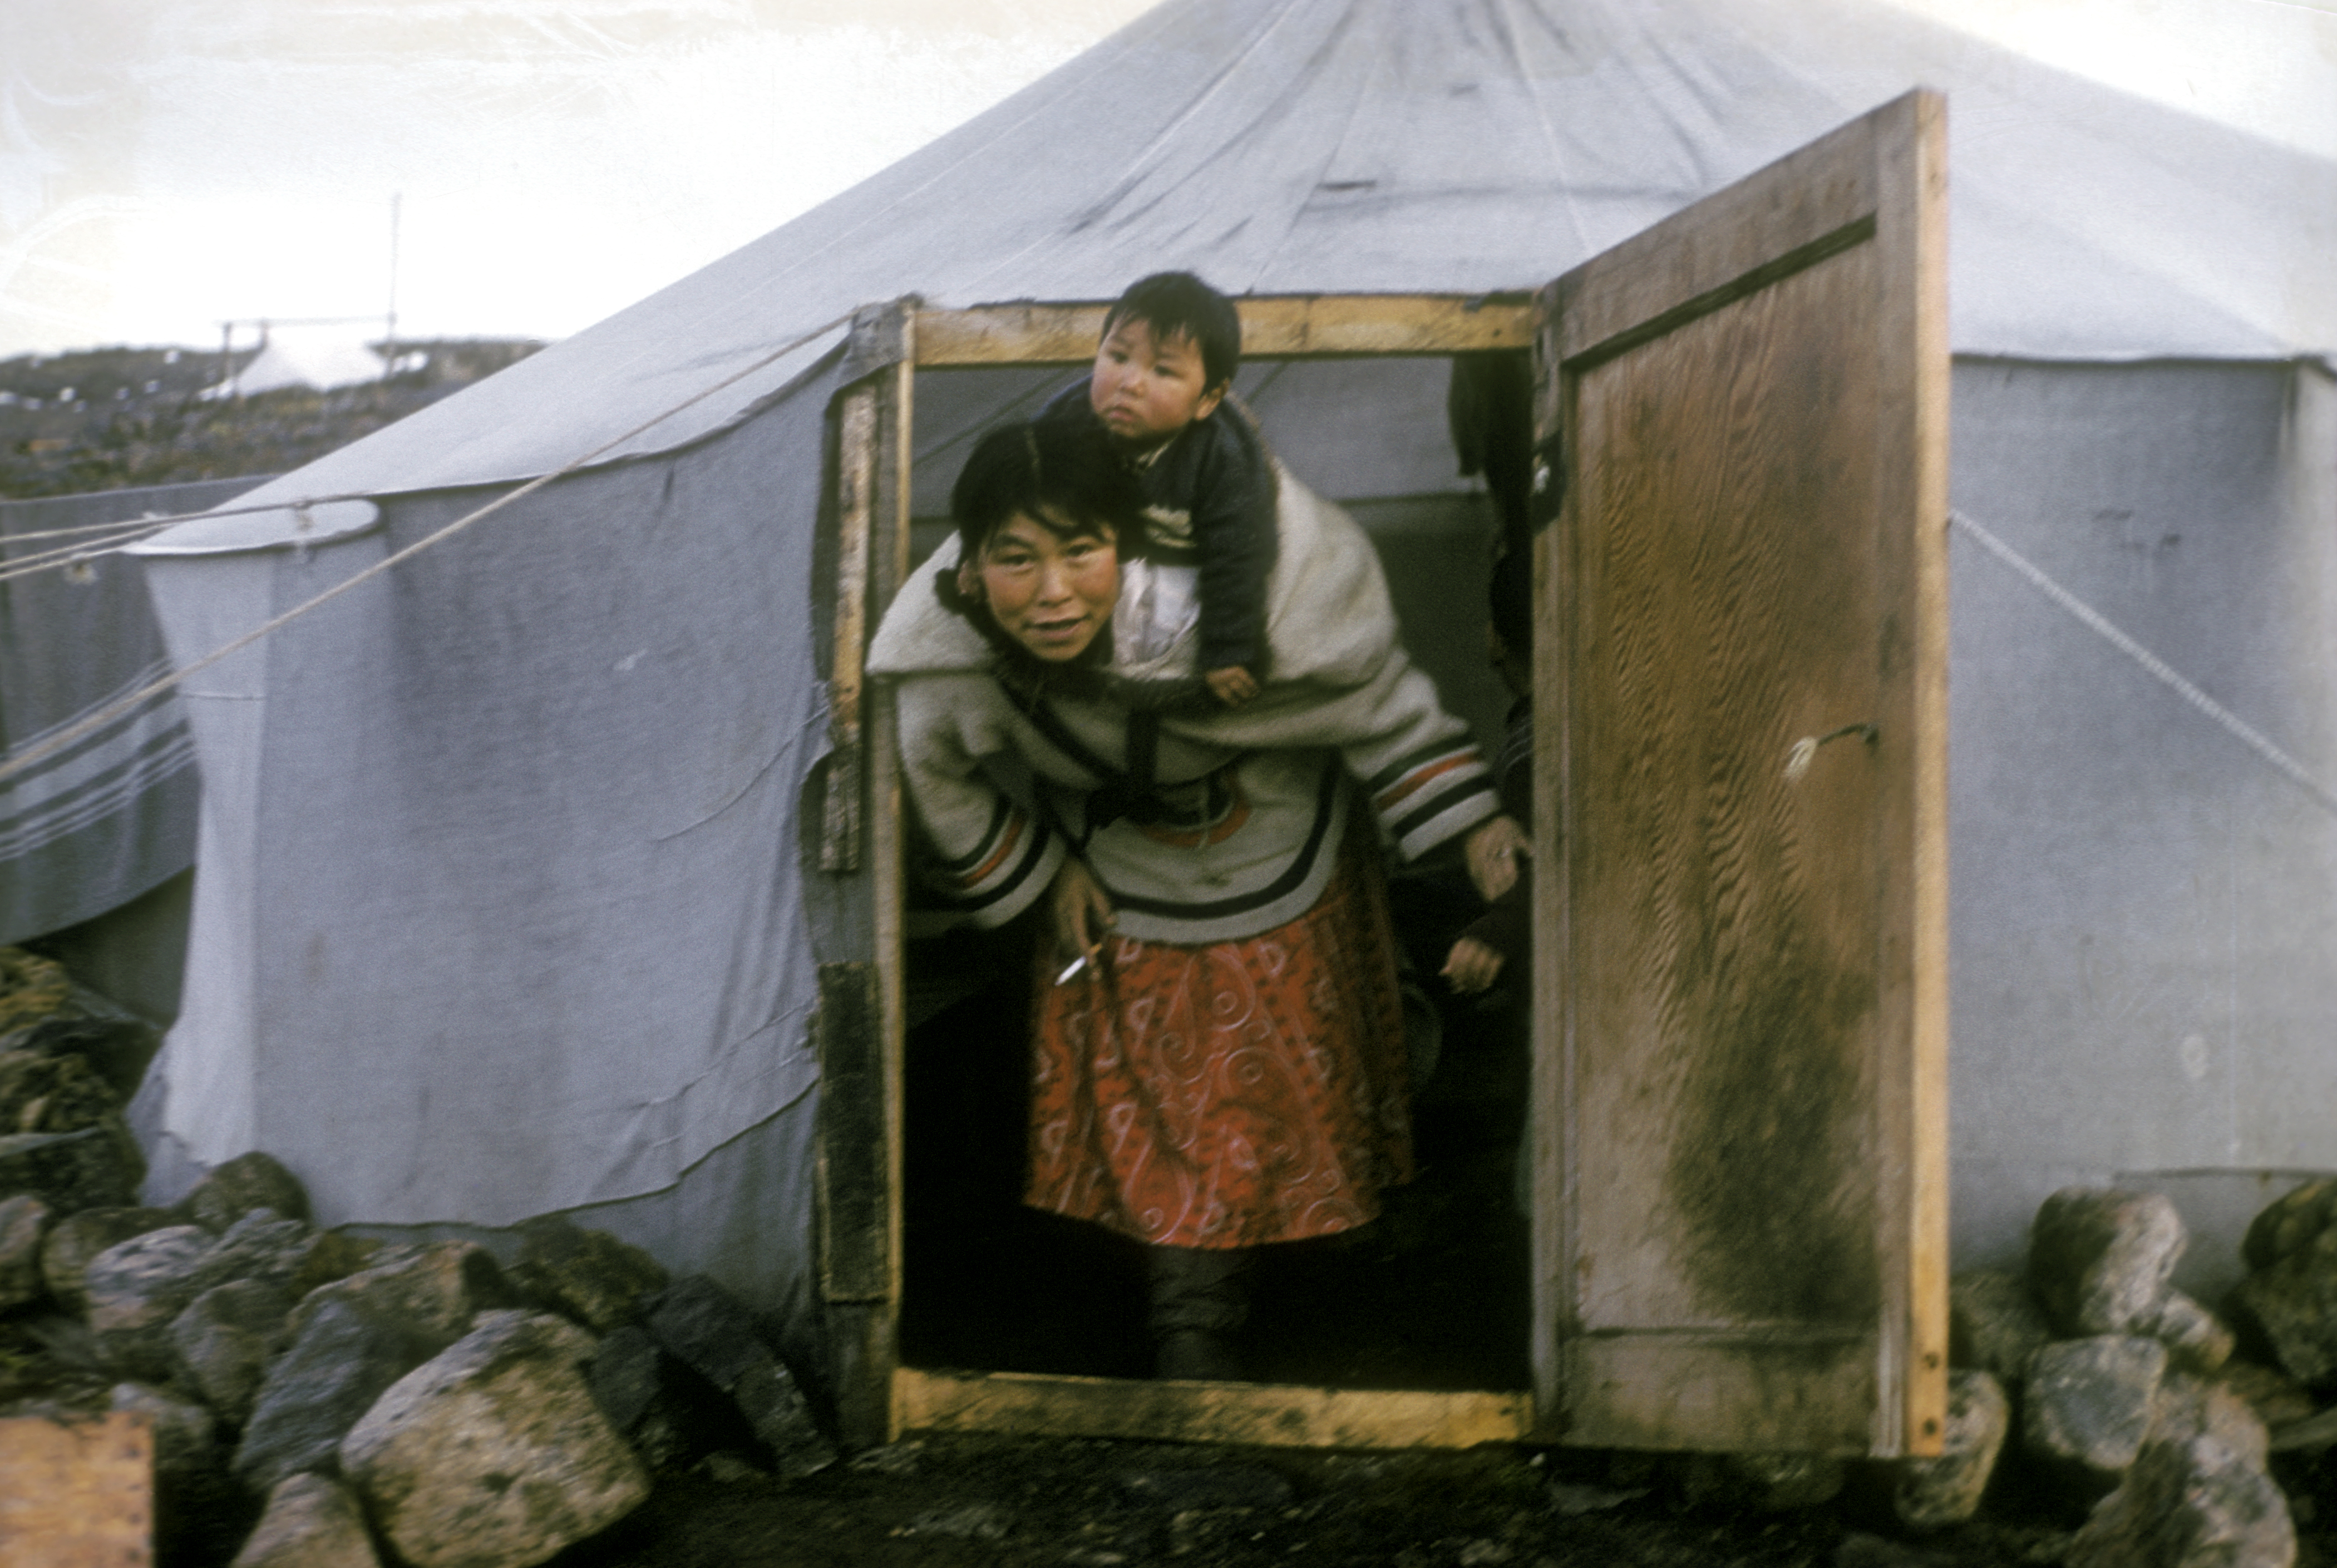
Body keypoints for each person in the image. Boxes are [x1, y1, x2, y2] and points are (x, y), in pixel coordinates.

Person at [867, 419, 1527, 1380]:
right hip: (1113, 858)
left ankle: (1287, 1254)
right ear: (972, 567)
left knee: (1277, 1074)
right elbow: (936, 774)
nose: (1052, 591)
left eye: (1082, 551)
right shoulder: (944, 655)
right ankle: (1193, 1313)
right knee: (1171, 1089)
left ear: (1128, 546)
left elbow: (1373, 703)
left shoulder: (1256, 609)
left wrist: (1474, 825)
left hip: (1277, 824)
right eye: (1017, 558)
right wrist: (1045, 873)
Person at [1038, 271, 1275, 709]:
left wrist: (1228, 651)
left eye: (1163, 370)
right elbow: (1016, 499)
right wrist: (978, 553)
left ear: (1208, 399)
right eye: (1119, 355)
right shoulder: (1061, 423)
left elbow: (1238, 556)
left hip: (1183, 557)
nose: (1131, 382)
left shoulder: (1223, 457)